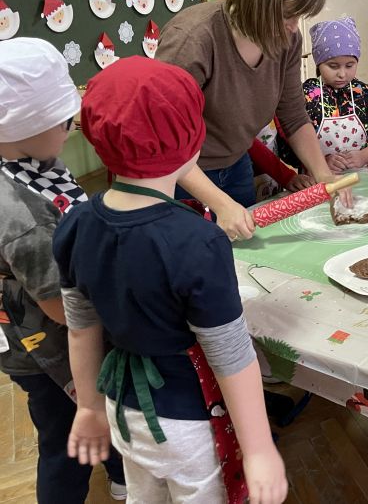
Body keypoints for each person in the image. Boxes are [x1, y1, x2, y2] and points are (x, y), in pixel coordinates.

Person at [57, 57, 287, 504]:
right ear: (191, 141)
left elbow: (81, 327)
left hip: (123, 410)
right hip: (187, 423)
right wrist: (259, 450)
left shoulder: (75, 224)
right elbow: (231, 354)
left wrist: (87, 405)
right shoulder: (198, 242)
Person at [0, 38, 126, 503]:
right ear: (20, 126)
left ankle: (119, 470)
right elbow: (61, 309)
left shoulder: (29, 162)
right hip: (42, 345)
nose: (72, 126)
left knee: (102, 408)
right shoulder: (22, 216)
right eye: (61, 121)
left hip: (44, 319)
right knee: (67, 435)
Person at [156, 0, 335, 241]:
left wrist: (324, 178)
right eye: (286, 16)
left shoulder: (287, 39)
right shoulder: (193, 41)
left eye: (300, 17)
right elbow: (164, 144)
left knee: (242, 260)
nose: (294, 28)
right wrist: (220, 204)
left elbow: (293, 116)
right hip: (181, 176)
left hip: (236, 161)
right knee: (193, 261)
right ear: (257, 1)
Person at [299, 16, 368, 175]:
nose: (342, 74)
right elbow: (290, 141)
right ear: (319, 63)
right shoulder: (305, 95)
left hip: (363, 177)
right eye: (333, 66)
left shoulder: (367, 94)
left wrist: (365, 156)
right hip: (315, 178)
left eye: (349, 65)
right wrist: (321, 161)